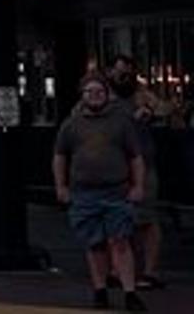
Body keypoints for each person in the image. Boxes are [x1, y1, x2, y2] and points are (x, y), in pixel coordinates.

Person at [56, 71, 148, 312]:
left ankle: (130, 291)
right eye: (89, 92)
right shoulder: (71, 125)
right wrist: (61, 186)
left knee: (121, 241)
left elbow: (136, 157)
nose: (95, 96)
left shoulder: (121, 123)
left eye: (99, 92)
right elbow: (60, 157)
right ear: (82, 95)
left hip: (116, 191)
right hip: (83, 193)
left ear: (107, 95)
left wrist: (138, 185)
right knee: (94, 243)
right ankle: (100, 289)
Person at [108, 54, 166, 292]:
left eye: (128, 73)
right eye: (120, 72)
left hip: (142, 163)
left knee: (146, 218)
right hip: (113, 165)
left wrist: (149, 109)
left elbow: (165, 108)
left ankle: (149, 272)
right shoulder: (104, 96)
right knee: (114, 218)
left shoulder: (142, 94)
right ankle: (116, 270)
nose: (124, 77)